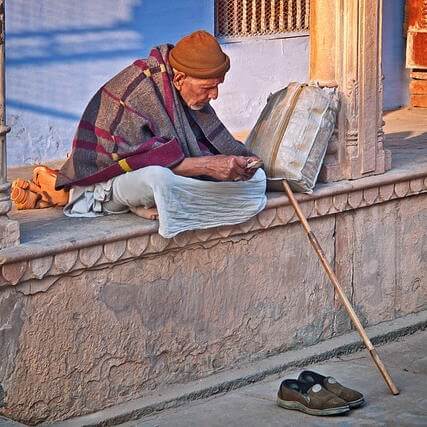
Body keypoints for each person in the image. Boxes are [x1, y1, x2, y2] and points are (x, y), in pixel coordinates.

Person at [55, 30, 267, 237]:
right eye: (207, 88)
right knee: (158, 178)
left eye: (218, 86)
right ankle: (137, 202)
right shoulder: (137, 91)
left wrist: (238, 162)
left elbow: (213, 142)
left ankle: (153, 203)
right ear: (179, 79)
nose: (215, 95)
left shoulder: (184, 92)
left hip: (157, 176)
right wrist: (209, 166)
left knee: (257, 180)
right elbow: (137, 162)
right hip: (106, 183)